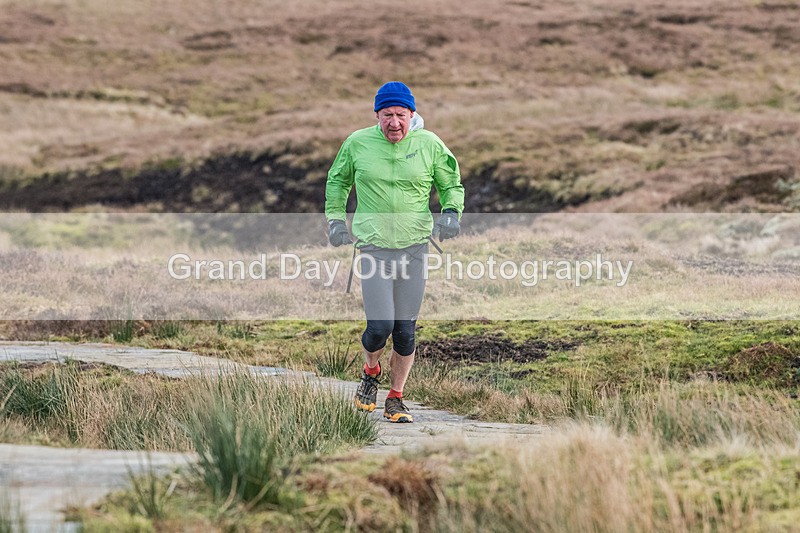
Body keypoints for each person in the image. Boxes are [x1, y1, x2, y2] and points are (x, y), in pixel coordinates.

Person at [325, 81, 465, 423]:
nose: (394, 123)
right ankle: (370, 371)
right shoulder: (357, 143)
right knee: (379, 327)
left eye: (401, 115)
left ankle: (396, 398)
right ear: (377, 115)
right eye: (387, 115)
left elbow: (450, 183)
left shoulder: (429, 145)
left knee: (405, 330)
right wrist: (335, 222)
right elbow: (338, 182)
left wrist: (451, 213)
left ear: (412, 114)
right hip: (373, 248)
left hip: (415, 248)